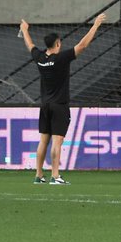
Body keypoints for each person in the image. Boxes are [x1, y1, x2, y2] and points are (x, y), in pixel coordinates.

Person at [19, 13, 107, 185]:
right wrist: (95, 25)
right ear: (58, 43)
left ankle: (38, 175)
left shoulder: (40, 58)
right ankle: (55, 176)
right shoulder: (61, 58)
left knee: (43, 140)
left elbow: (30, 45)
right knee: (57, 141)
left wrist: (24, 30)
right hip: (59, 105)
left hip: (44, 105)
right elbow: (82, 45)